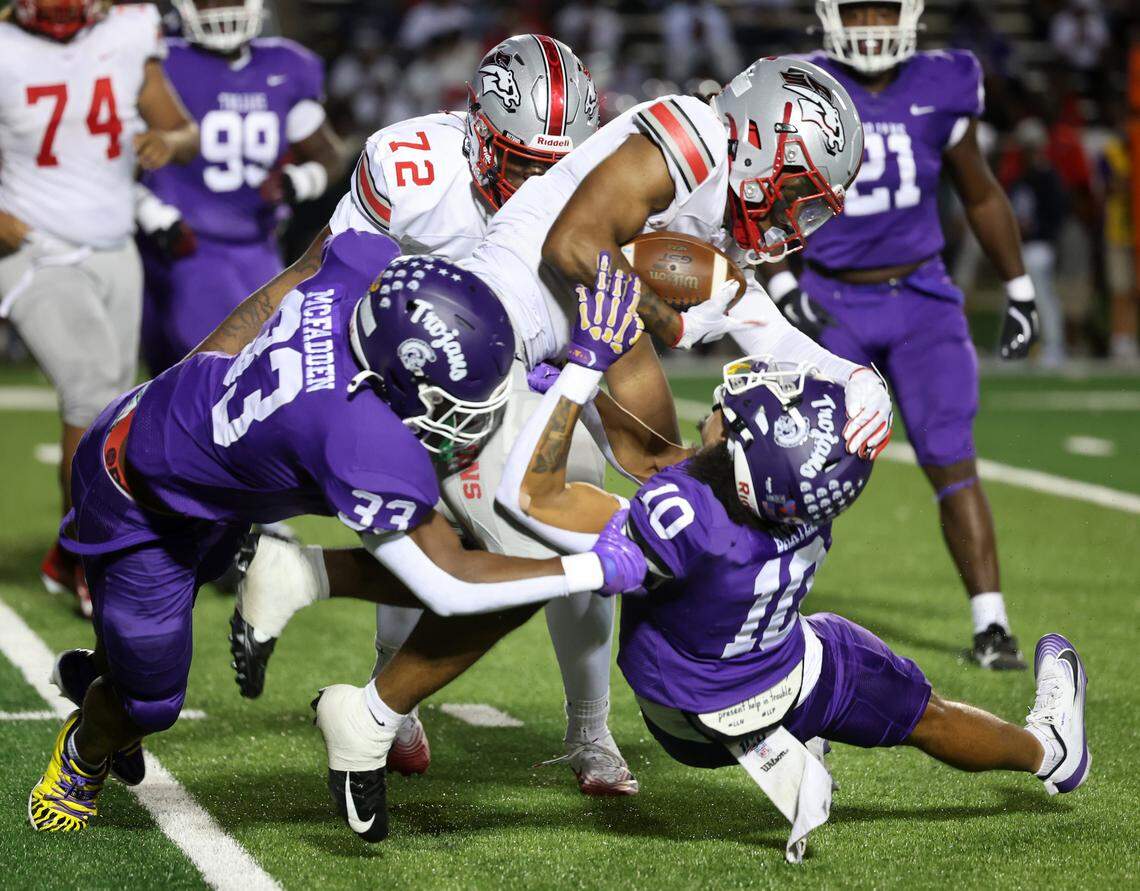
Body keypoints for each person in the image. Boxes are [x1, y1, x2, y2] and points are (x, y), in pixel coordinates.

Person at [230, 55, 894, 800]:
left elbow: (741, 326)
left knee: (637, 509)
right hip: (474, 349)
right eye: (797, 195)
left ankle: (310, 585)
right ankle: (371, 712)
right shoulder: (693, 135)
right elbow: (575, 246)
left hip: (546, 347)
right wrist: (666, 315)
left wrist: (851, 377)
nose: (791, 222)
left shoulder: (713, 201)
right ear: (762, 138)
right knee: (540, 560)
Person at [27, 228, 645, 833]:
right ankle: (85, 751)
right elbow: (449, 584)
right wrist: (592, 568)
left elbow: (313, 264)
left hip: (181, 431)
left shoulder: (358, 278)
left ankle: (109, 681)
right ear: (387, 382)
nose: (472, 420)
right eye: (455, 405)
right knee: (151, 703)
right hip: (138, 501)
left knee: (139, 662)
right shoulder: (356, 440)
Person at [499, 266, 1090, 856]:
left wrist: (579, 375)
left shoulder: (685, 516)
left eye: (735, 424)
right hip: (778, 678)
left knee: (795, 637)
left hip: (674, 713)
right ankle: (1046, 750)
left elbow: (533, 495)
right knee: (916, 709)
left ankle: (800, 736)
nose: (725, 411)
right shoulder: (803, 500)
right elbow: (694, 467)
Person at [763, 0, 1040, 667]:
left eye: (880, 10)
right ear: (831, 17)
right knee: (805, 463)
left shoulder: (944, 83)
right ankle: (771, 618)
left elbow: (977, 192)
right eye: (855, 13)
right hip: (831, 296)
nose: (869, 27)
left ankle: (991, 623)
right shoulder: (798, 83)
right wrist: (782, 286)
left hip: (921, 297)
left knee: (950, 453)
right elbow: (761, 191)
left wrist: (1020, 287)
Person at [0, 0, 199, 618]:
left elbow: (185, 132)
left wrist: (166, 140)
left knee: (115, 402)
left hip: (116, 245)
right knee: (89, 395)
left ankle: (66, 551)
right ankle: (96, 554)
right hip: (36, 247)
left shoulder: (131, 28)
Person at [137, 0, 344, 375]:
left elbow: (327, 153)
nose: (220, 7)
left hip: (260, 246)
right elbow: (123, 152)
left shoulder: (286, 64)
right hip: (189, 244)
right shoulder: (163, 62)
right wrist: (146, 208)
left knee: (276, 361)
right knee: (214, 368)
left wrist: (300, 180)